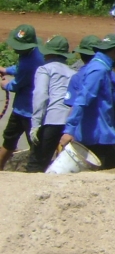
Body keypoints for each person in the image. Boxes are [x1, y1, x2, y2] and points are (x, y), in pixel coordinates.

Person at [59, 34, 115, 169]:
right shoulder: (98, 70)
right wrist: (69, 130)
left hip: (101, 135)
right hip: (98, 136)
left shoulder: (102, 69)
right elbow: (82, 100)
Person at [28, 36, 76, 172]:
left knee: (37, 162)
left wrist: (35, 124)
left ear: (49, 53)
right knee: (62, 162)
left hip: (51, 119)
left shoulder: (45, 69)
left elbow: (40, 96)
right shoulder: (73, 73)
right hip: (68, 121)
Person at [1, 25, 44, 171]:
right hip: (21, 109)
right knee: (9, 141)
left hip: (29, 112)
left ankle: (35, 172)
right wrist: (6, 70)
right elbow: (19, 68)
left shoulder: (29, 63)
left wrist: (5, 84)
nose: (15, 49)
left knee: (33, 146)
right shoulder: (32, 53)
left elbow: (16, 84)